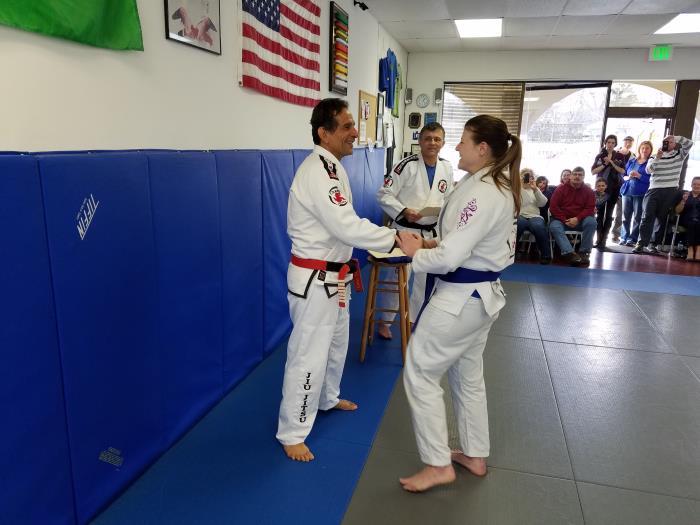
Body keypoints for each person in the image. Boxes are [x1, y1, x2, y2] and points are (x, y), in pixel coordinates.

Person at [395, 114, 520, 492]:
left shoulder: (484, 192)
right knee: (467, 376)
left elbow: (451, 258)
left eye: (463, 140)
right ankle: (475, 454)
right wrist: (431, 244)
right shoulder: (486, 183)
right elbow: (463, 242)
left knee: (419, 371)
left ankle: (437, 464)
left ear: (482, 148)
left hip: (460, 300)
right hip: (480, 299)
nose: (457, 146)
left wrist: (418, 253)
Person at [277, 98, 398, 462]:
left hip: (336, 277)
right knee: (308, 354)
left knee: (336, 344)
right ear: (324, 133)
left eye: (352, 125)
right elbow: (346, 226)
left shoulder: (334, 167)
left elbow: (343, 225)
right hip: (315, 280)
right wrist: (394, 239)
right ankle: (292, 431)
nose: (354, 132)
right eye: (346, 126)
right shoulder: (318, 171)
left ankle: (327, 398)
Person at [375, 122, 454, 339]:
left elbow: (449, 198)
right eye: (428, 138)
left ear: (443, 143)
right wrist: (403, 210)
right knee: (396, 278)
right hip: (405, 230)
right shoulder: (405, 166)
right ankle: (385, 321)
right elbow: (383, 194)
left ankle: (414, 319)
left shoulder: (447, 167)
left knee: (424, 279)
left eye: (437, 139)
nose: (432, 143)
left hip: (430, 233)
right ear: (420, 141)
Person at [633, 135, 694, 254]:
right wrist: (657, 158)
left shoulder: (679, 154)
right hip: (654, 189)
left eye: (670, 142)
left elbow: (689, 144)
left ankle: (653, 244)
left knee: (662, 218)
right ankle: (641, 243)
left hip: (670, 189)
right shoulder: (654, 156)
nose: (667, 144)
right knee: (647, 216)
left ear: (674, 144)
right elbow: (648, 170)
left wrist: (675, 137)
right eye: (665, 142)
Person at [548, 167, 596, 266]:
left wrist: (577, 218)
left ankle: (584, 253)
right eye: (575, 174)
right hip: (562, 220)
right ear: (570, 176)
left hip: (581, 220)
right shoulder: (560, 189)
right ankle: (569, 253)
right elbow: (553, 207)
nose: (577, 176)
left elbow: (590, 208)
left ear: (583, 177)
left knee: (591, 222)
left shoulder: (589, 191)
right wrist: (565, 220)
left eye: (580, 175)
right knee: (554, 226)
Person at [591, 135, 626, 249]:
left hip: (614, 188)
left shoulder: (620, 156)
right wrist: (605, 164)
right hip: (601, 189)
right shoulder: (600, 155)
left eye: (612, 142)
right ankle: (598, 239)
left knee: (609, 215)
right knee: (600, 215)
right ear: (605, 143)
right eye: (608, 142)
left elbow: (623, 171)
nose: (610, 144)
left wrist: (611, 162)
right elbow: (593, 171)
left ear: (615, 144)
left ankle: (604, 240)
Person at [619, 140, 652, 246]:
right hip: (627, 191)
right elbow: (623, 175)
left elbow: (651, 180)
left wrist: (639, 176)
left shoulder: (650, 163)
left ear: (650, 150)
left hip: (640, 193)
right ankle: (623, 237)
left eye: (647, 148)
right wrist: (628, 177)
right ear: (639, 149)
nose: (644, 150)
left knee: (637, 217)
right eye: (643, 148)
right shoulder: (632, 161)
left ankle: (632, 239)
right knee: (625, 217)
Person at [518, 168, 551, 263]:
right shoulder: (516, 188)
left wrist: (535, 189)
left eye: (530, 176)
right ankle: (510, 253)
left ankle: (545, 255)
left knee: (539, 226)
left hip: (534, 216)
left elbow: (542, 203)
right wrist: (521, 186)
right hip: (520, 215)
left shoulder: (535, 189)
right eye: (525, 176)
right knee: (518, 224)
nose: (528, 178)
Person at [612, 136, 636, 241]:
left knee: (620, 213)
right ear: (623, 142)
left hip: (624, 186)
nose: (628, 143)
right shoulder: (615, 152)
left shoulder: (633, 157)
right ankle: (602, 234)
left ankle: (616, 234)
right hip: (612, 184)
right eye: (626, 141)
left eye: (630, 142)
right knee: (607, 211)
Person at [675, 177, 700, 261]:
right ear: (691, 185)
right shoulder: (686, 195)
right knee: (692, 223)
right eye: (694, 184)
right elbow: (677, 211)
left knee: (697, 223)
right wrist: (683, 201)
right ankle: (690, 250)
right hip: (686, 219)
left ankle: (698, 250)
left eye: (699, 184)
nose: (696, 186)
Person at [594, 178, 609, 247]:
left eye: (603, 186)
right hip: (591, 210)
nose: (601, 187)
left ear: (606, 186)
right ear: (595, 186)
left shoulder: (607, 196)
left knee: (600, 223)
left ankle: (599, 240)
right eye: (599, 186)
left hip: (599, 212)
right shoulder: (592, 193)